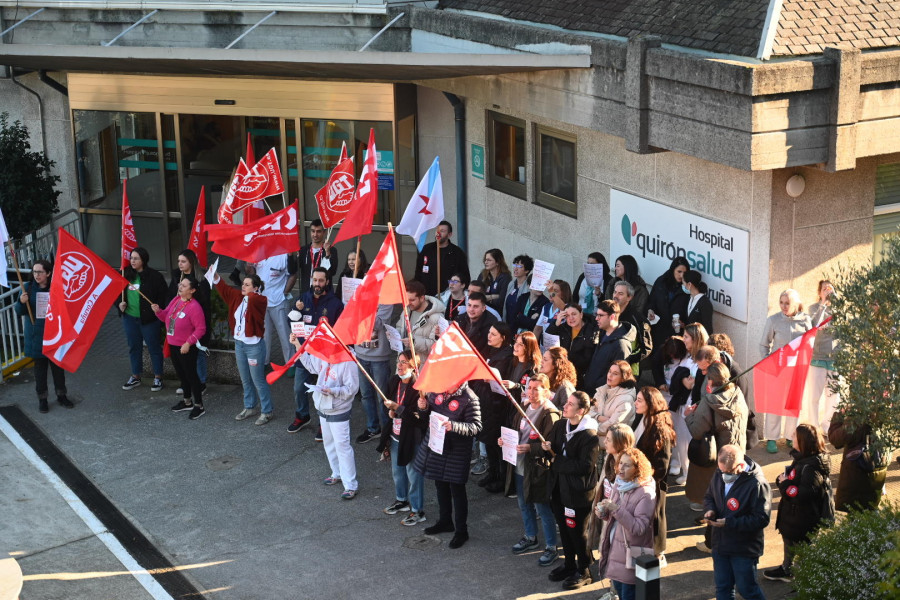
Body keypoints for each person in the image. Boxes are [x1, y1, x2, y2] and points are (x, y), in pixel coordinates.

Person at [501, 374, 561, 567]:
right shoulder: (524, 407)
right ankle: (530, 536)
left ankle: (551, 546)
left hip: (538, 469)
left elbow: (553, 447)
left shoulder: (550, 414)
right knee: (523, 503)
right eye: (529, 387)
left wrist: (531, 448)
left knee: (543, 508)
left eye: (537, 388)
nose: (531, 392)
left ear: (546, 391)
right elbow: (514, 430)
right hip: (519, 465)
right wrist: (504, 440)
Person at [542, 392, 600, 590]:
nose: (565, 406)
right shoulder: (560, 425)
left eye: (570, 404)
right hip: (559, 489)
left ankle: (584, 570)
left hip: (578, 493)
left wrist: (558, 461)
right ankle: (568, 564)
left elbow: (585, 466)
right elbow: (554, 450)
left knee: (578, 532)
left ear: (581, 411)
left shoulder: (590, 436)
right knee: (565, 530)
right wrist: (546, 448)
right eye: (566, 403)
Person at [414, 382, 482, 549]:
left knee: (457, 491)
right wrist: (423, 408)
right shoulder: (437, 390)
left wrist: (454, 426)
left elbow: (476, 427)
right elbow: (426, 419)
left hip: (456, 452)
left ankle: (461, 531)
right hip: (437, 447)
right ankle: (445, 521)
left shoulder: (470, 398)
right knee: (440, 485)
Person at [293, 333, 360, 500]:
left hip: (338, 409)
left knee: (342, 446)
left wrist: (333, 391)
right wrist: (297, 345)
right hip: (323, 407)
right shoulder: (326, 355)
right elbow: (310, 366)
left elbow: (352, 389)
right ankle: (336, 473)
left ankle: (350, 485)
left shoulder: (349, 361)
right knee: (329, 443)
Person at [764, 424, 834, 583]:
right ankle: (787, 569)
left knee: (802, 547)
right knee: (790, 542)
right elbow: (792, 478)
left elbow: (803, 495)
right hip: (794, 517)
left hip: (802, 518)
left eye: (794, 435)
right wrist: (783, 480)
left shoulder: (811, 468)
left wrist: (784, 484)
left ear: (803, 441)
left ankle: (802, 577)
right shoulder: (802, 459)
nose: (791, 436)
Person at [703, 444, 771, 600]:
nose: (724, 476)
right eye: (721, 471)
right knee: (722, 588)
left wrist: (730, 523)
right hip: (720, 545)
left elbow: (761, 519)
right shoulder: (720, 472)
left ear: (741, 466)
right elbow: (709, 496)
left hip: (743, 549)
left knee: (747, 590)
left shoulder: (757, 484)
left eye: (728, 472)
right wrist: (710, 509)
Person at [685, 359, 749, 515]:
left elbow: (697, 431)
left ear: (710, 382)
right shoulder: (738, 394)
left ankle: (710, 511)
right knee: (733, 484)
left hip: (717, 454)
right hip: (737, 449)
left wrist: (689, 416)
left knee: (714, 486)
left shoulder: (708, 402)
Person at [595, 447, 658, 600]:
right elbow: (613, 517)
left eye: (627, 465)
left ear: (638, 469)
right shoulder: (619, 483)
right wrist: (603, 512)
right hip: (615, 551)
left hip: (632, 556)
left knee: (630, 594)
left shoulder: (645, 493)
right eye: (620, 463)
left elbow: (639, 527)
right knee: (621, 591)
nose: (620, 468)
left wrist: (615, 509)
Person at [288, 267, 344, 434]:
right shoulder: (303, 298)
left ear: (327, 282)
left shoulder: (335, 304)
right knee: (299, 388)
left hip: (325, 356)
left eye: (321, 280)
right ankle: (303, 416)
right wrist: (297, 310)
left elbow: (340, 330)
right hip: (304, 352)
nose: (317, 284)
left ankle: (323, 421)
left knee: (324, 390)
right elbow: (290, 321)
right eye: (315, 280)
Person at [213, 273, 274, 425]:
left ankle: (267, 411)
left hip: (254, 346)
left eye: (247, 284)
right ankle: (250, 406)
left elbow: (254, 298)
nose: (243, 286)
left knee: (258, 380)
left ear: (256, 288)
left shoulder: (260, 299)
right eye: (243, 284)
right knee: (245, 379)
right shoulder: (240, 297)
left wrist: (255, 291)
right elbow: (225, 290)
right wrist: (216, 277)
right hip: (239, 344)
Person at [16, 260, 72, 413]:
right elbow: (18, 311)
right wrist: (21, 302)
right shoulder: (27, 288)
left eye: (40, 272)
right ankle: (42, 399)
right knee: (40, 370)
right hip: (36, 335)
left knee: (58, 368)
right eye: (34, 272)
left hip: (54, 334)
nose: (36, 275)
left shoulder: (56, 288)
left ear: (48, 273)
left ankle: (61, 395)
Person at [760, 289, 811, 453]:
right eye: (781, 302)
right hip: (778, 369)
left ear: (795, 304)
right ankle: (772, 438)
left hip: (797, 370)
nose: (783, 306)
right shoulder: (773, 320)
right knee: (775, 404)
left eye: (787, 303)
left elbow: (809, 343)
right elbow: (763, 344)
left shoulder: (805, 320)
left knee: (793, 404)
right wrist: (769, 362)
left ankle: (791, 436)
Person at [380, 350, 428, 525]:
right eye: (398, 361)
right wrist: (390, 411)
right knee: (397, 471)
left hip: (412, 437)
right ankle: (402, 500)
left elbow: (419, 419)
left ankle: (417, 510)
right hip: (395, 435)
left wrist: (398, 408)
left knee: (413, 475)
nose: (399, 366)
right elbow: (386, 404)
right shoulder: (394, 381)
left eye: (403, 362)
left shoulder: (419, 388)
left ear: (414, 366)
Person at [152, 277, 207, 419]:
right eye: (180, 284)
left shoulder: (194, 307)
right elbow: (165, 317)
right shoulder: (176, 300)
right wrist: (158, 311)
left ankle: (199, 405)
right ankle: (187, 401)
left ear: (192, 290)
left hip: (186, 347)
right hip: (173, 344)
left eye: (184, 285)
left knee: (191, 376)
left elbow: (201, 329)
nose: (180, 287)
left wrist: (188, 343)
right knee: (182, 375)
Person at [472, 322, 516, 493]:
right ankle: (493, 472)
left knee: (497, 444)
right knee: (488, 442)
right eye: (489, 333)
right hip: (485, 401)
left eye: (493, 334)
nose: (489, 336)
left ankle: (501, 478)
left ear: (503, 337)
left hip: (496, 405)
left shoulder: (506, 355)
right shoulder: (490, 350)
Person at [633, 386, 676, 555]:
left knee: (655, 517)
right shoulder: (642, 419)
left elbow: (662, 465)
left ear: (650, 404)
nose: (635, 403)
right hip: (640, 480)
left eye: (639, 400)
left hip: (652, 483)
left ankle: (658, 552)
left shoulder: (660, 429)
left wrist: (645, 479)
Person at [119, 247, 168, 392]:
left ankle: (158, 377)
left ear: (143, 260)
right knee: (134, 347)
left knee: (154, 347)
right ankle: (135, 376)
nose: (132, 261)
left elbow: (163, 295)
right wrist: (119, 305)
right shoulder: (125, 274)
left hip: (149, 320)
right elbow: (117, 294)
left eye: (136, 258)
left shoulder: (154, 276)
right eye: (131, 258)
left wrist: (159, 311)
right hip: (130, 318)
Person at [586, 423, 635, 553]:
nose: (605, 442)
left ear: (620, 443)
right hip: (607, 514)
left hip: (621, 521)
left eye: (608, 439)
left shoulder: (630, 467)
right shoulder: (610, 458)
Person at [167, 249, 210, 393]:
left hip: (195, 320)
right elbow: (170, 296)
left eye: (183, 261)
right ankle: (186, 383)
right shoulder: (175, 276)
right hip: (178, 323)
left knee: (198, 352)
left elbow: (205, 300)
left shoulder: (200, 278)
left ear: (191, 262)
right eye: (179, 261)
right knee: (181, 355)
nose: (180, 264)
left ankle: (201, 382)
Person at [828, 409, 889, 511]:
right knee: (870, 509)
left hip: (856, 479)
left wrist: (839, 415)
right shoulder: (884, 412)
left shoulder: (858, 419)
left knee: (857, 513)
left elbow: (835, 439)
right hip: (877, 474)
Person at [655, 336, 693, 485]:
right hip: (667, 398)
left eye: (675, 355)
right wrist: (661, 383)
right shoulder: (662, 354)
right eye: (670, 355)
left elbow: (686, 383)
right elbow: (656, 367)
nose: (673, 358)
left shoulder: (687, 360)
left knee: (683, 437)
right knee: (673, 433)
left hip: (680, 401)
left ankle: (686, 470)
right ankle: (676, 462)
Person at [354, 303, 394, 444]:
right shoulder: (360, 297)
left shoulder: (386, 301)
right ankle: (373, 428)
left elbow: (378, 324)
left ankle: (387, 432)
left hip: (379, 358)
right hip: (360, 354)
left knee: (382, 397)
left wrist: (361, 308)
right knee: (366, 395)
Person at [248, 253, 295, 368]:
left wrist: (285, 293)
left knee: (285, 334)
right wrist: (248, 264)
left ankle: (291, 364)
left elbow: (293, 275)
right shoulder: (257, 252)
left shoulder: (283, 255)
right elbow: (251, 274)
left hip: (279, 301)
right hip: (261, 301)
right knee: (264, 335)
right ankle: (264, 361)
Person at [804, 280, 838, 431]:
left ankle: (826, 427)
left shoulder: (839, 310)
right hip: (817, 358)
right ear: (819, 292)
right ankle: (813, 427)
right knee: (814, 397)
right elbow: (812, 325)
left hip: (835, 360)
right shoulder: (813, 308)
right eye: (824, 289)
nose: (827, 291)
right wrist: (823, 304)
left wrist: (837, 302)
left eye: (830, 289)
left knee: (834, 397)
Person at [583, 300, 637, 393]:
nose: (597, 318)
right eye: (597, 314)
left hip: (601, 395)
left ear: (612, 317)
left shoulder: (621, 345)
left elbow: (617, 376)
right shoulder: (602, 333)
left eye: (600, 315)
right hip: (590, 390)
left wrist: (597, 388)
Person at [546, 303, 599, 389]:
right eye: (567, 315)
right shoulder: (563, 328)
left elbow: (589, 356)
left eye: (574, 314)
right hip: (563, 374)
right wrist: (556, 323)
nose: (571, 318)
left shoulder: (592, 331)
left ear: (581, 314)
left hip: (581, 376)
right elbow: (547, 341)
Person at [414, 220, 470, 297]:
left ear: (449, 234)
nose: (438, 233)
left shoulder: (457, 252)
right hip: (427, 294)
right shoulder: (427, 249)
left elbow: (465, 275)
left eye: (442, 231)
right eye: (437, 230)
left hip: (448, 295)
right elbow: (418, 272)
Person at [612, 281, 653, 377]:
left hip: (629, 371)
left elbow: (646, 348)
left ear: (629, 297)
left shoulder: (637, 319)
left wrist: (628, 359)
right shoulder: (608, 314)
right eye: (615, 292)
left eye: (620, 293)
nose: (616, 296)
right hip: (608, 368)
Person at [648, 256, 689, 351]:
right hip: (659, 329)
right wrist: (650, 310)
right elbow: (652, 300)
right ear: (673, 270)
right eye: (679, 272)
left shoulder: (686, 288)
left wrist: (684, 324)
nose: (682, 275)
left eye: (684, 273)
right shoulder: (661, 282)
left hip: (676, 332)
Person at [397, 280, 445, 361]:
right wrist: (394, 334)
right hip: (406, 364)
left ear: (422, 298)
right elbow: (400, 327)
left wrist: (413, 342)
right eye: (406, 299)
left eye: (412, 300)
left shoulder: (437, 317)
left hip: (422, 366)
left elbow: (436, 346)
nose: (408, 303)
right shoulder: (407, 310)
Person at [591, 360, 637, 438]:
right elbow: (588, 411)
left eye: (615, 374)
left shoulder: (626, 400)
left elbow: (612, 426)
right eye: (609, 371)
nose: (610, 375)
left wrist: (590, 428)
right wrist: (599, 417)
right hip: (594, 435)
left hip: (611, 442)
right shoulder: (602, 390)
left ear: (623, 378)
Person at [299, 219, 338, 293]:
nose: (315, 234)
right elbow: (292, 270)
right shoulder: (304, 250)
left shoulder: (332, 250)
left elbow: (332, 272)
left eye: (318, 231)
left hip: (325, 294)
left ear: (324, 233)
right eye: (313, 231)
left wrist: (327, 253)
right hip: (307, 293)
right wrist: (291, 254)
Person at [455, 291, 498, 355]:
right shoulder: (460, 318)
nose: (471, 309)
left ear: (483, 308)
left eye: (475, 306)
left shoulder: (491, 326)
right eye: (469, 305)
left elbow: (485, 352)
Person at [534, 279, 571, 347]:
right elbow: (538, 328)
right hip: (544, 346)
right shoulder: (546, 307)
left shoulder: (568, 307)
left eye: (555, 291)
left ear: (563, 294)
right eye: (551, 290)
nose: (551, 293)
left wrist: (551, 291)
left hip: (559, 347)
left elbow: (563, 308)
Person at [573, 252, 610, 316]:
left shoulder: (608, 280)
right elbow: (575, 296)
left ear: (600, 265)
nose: (589, 266)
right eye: (588, 264)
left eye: (592, 264)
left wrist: (599, 294)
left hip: (597, 317)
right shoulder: (583, 276)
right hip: (581, 314)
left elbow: (608, 302)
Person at [679, 270, 714, 334]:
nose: (682, 285)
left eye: (683, 283)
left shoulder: (705, 303)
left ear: (689, 284)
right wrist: (684, 326)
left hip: (700, 342)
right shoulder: (690, 298)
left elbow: (708, 329)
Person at [480, 248, 511, 314]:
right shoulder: (483, 274)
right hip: (482, 311)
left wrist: (486, 298)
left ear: (497, 262)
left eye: (489, 260)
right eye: (485, 260)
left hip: (498, 313)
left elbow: (501, 301)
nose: (486, 262)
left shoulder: (505, 277)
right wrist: (493, 296)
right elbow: (477, 293)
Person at [504, 254, 533, 323]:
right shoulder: (511, 284)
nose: (515, 268)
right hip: (507, 322)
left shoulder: (529, 287)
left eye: (519, 266)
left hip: (519, 324)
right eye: (515, 265)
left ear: (526, 271)